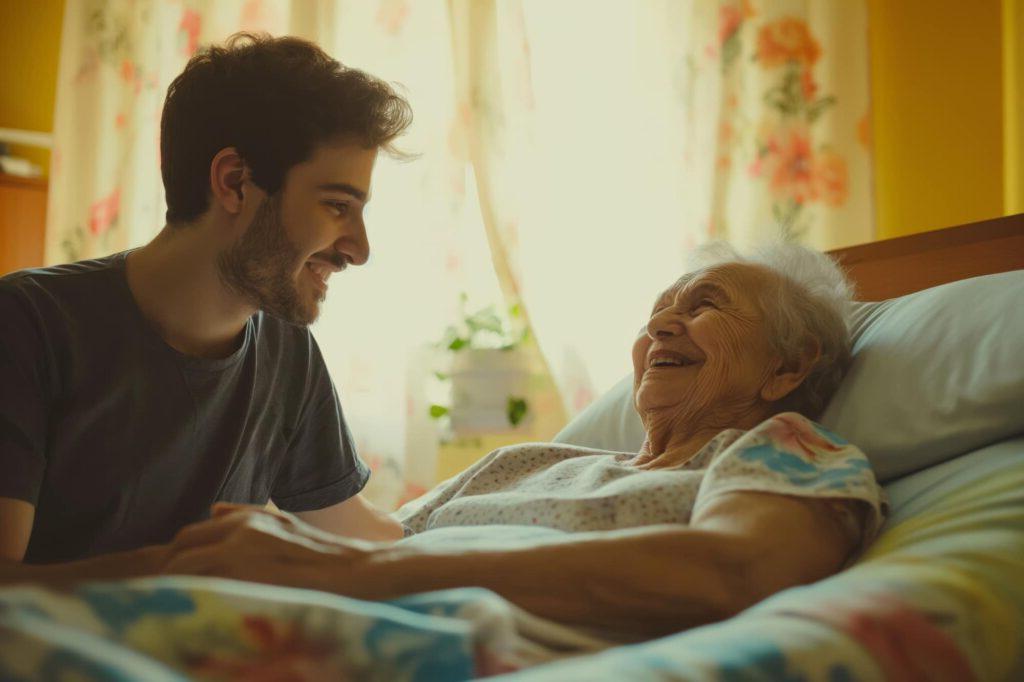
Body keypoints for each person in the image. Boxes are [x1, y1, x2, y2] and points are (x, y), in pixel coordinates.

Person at [159, 242, 888, 640]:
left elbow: (732, 572)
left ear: (788, 367)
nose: (661, 328)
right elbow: (378, 544)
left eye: (706, 308)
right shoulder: (525, 461)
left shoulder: (782, 449)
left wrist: (341, 577)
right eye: (656, 314)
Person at [0, 33, 413, 583]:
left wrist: (503, 548)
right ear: (235, 182)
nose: (359, 250)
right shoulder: (27, 323)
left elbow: (356, 532)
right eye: (337, 205)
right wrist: (195, 568)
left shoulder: (287, 350)